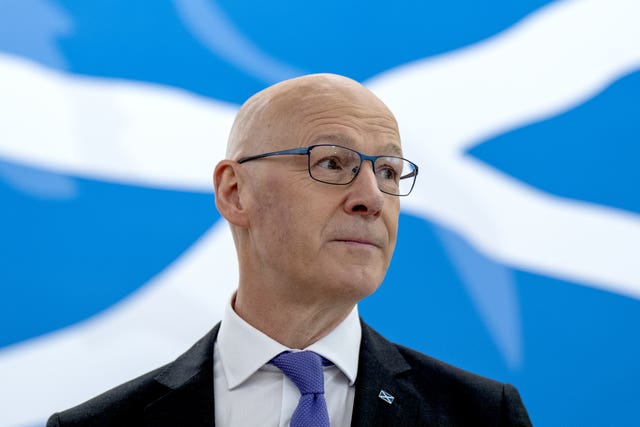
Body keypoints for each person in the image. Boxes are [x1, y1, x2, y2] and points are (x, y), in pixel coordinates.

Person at [47, 73, 533, 426]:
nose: (371, 198)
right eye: (332, 162)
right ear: (235, 192)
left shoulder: (484, 415)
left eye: (388, 171)